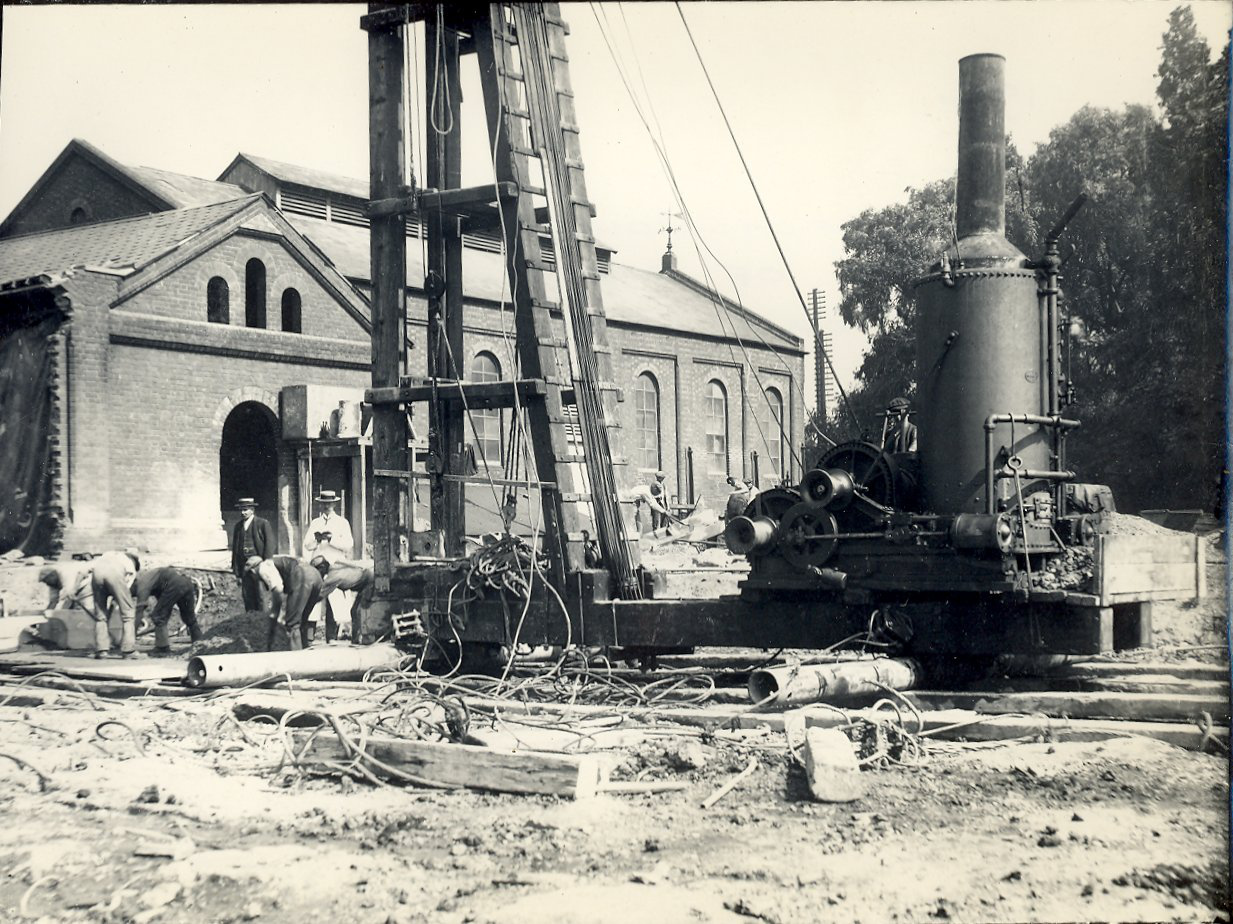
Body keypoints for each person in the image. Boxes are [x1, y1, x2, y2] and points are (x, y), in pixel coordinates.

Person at [302, 489, 355, 635]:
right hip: (318, 563)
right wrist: (316, 540)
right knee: (314, 596)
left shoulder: (342, 522)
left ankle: (332, 636)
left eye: (330, 503)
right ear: (320, 505)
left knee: (335, 599)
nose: (327, 506)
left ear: (334, 504)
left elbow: (348, 544)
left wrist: (332, 540)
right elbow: (307, 544)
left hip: (335, 563)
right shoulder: (315, 523)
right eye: (324, 503)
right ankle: (310, 635)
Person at [248, 554, 324, 651]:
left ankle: (295, 656)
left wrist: (275, 612)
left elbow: (278, 589)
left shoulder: (263, 568)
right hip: (315, 575)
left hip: (302, 576)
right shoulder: (276, 562)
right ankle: (305, 650)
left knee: (292, 624)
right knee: (302, 619)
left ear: (252, 571)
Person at [133, 566, 202, 654]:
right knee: (189, 617)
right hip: (186, 583)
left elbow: (139, 612)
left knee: (158, 616)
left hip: (175, 584)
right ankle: (199, 644)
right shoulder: (151, 579)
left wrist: (130, 637)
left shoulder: (141, 585)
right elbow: (163, 602)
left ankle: (162, 648)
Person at [90, 549, 141, 659]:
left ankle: (101, 650)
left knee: (100, 616)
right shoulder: (130, 564)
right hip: (115, 573)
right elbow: (125, 589)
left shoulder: (109, 554)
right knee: (128, 614)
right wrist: (117, 601)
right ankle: (128, 650)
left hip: (96, 572)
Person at [310, 555, 374, 643]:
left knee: (359, 611)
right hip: (365, 581)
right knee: (354, 611)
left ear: (322, 567)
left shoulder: (333, 577)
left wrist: (306, 603)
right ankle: (356, 640)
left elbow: (320, 595)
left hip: (369, 581)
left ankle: (365, 638)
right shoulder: (335, 566)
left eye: (318, 571)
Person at [231, 497, 274, 612]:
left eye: (245, 509)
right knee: (248, 597)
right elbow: (235, 550)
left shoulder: (262, 524)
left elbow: (270, 545)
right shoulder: (238, 527)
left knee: (261, 597)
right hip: (244, 568)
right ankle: (251, 623)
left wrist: (266, 565)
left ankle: (263, 624)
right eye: (241, 510)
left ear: (252, 510)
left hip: (259, 567)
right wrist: (237, 571)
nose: (243, 512)